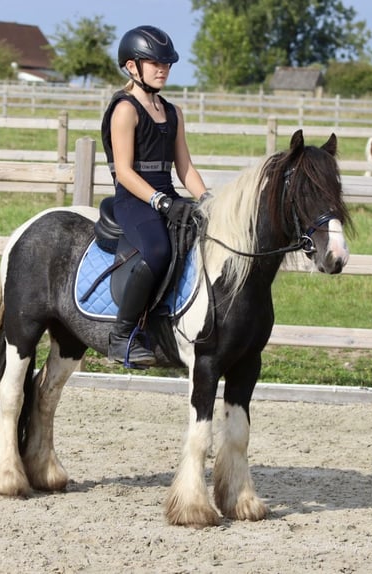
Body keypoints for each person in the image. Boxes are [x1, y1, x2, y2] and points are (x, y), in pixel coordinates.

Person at [100, 25, 209, 366]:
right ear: (132, 67)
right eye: (154, 63)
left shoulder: (173, 112)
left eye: (167, 64)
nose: (163, 69)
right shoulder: (125, 110)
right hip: (134, 201)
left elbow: (185, 167)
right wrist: (159, 201)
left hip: (168, 196)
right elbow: (125, 172)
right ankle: (122, 336)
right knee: (159, 249)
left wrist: (206, 200)